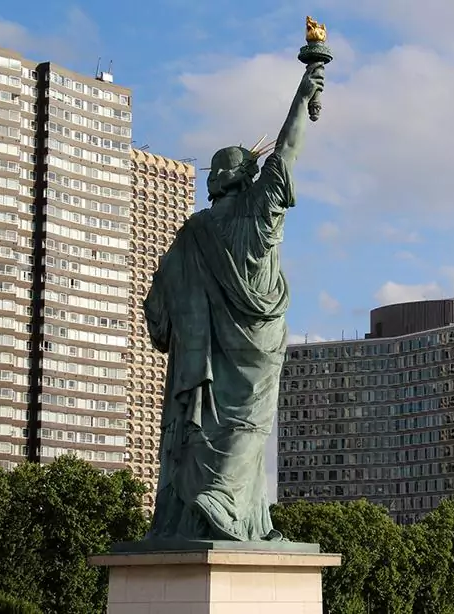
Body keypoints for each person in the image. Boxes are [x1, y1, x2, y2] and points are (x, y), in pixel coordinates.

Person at [143, 62, 326, 541]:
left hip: (206, 354)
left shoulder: (192, 233)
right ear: (246, 179)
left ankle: (239, 512)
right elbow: (285, 154)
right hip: (258, 345)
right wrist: (303, 98)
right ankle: (223, 502)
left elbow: (157, 312)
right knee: (248, 427)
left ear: (215, 182)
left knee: (219, 427)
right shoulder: (258, 209)